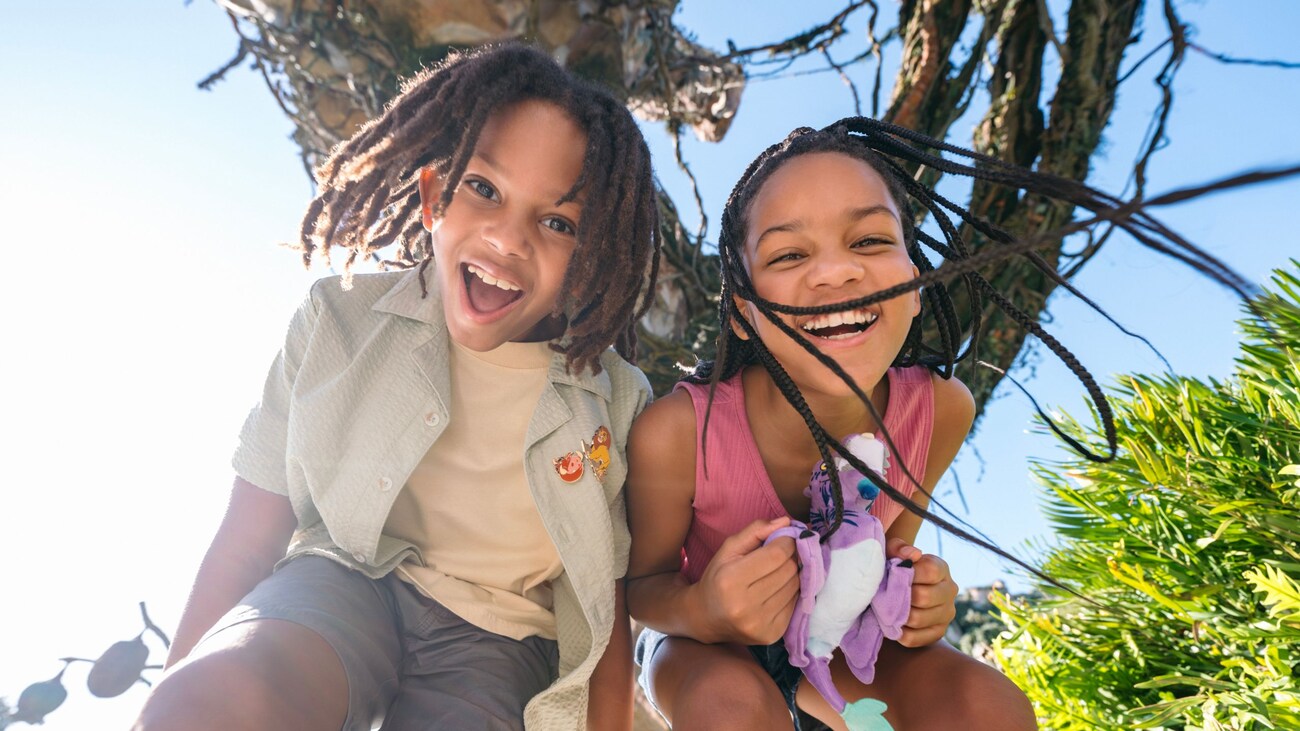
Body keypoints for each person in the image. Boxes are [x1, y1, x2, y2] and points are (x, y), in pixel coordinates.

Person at [621, 118, 1214, 731]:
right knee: (730, 706)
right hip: (697, 644)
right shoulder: (679, 432)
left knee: (986, 706)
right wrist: (708, 608)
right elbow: (642, 588)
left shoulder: (940, 409)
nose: (835, 273)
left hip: (845, 639)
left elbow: (889, 547)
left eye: (871, 241)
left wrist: (921, 597)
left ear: (915, 283)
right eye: (789, 253)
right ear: (743, 313)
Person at [134, 43, 660, 731]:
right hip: (342, 583)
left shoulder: (618, 402)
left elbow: (607, 609)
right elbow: (246, 538)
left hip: (500, 643)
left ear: (590, 257)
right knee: (211, 703)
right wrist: (178, 701)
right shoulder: (337, 320)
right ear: (433, 195)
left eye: (558, 222)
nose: (508, 238)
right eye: (484, 188)